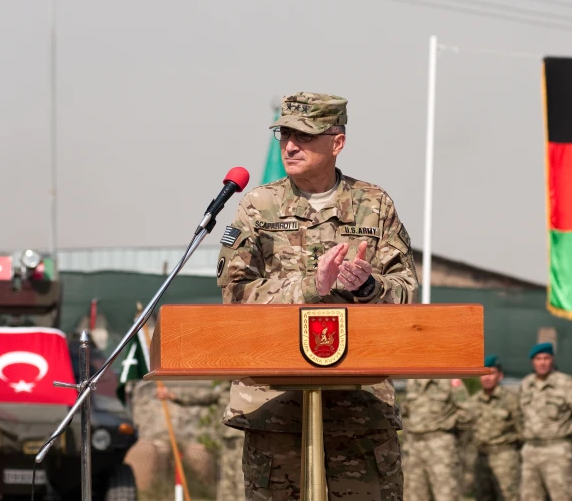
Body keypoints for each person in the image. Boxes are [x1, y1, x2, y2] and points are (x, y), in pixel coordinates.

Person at [216, 92, 419, 500]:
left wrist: (369, 287)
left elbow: (408, 296)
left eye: (304, 136)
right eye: (285, 135)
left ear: (337, 143)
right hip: (275, 404)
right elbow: (235, 295)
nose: (290, 146)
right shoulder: (258, 207)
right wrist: (313, 287)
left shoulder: (374, 206)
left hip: (359, 407)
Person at [518, 342, 572, 501]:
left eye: (546, 358)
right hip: (531, 451)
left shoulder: (565, 383)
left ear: (552, 359)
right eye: (538, 359)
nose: (542, 362)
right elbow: (520, 416)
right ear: (532, 361)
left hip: (557, 451)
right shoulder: (526, 384)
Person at [156, 382, 244, 501]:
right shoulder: (224, 389)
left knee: (242, 481)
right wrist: (173, 396)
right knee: (226, 484)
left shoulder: (250, 387)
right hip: (227, 441)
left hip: (244, 441)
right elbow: (201, 398)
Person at [403, 377, 472, 501]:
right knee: (415, 496)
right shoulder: (412, 381)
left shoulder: (450, 380)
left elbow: (467, 413)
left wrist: (448, 430)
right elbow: (406, 412)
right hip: (415, 447)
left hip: (441, 447)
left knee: (446, 495)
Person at [467, 355, 522, 501]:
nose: (487, 378)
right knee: (482, 497)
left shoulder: (511, 400)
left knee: (508, 496)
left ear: (500, 375)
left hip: (504, 458)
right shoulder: (473, 401)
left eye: (491, 374)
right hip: (481, 458)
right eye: (483, 374)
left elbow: (522, 429)